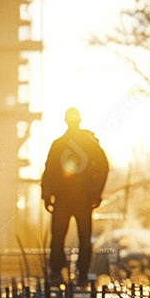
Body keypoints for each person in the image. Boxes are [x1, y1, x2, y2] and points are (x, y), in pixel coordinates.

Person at [41, 107, 109, 286]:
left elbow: (49, 171)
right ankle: (82, 276)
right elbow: (103, 167)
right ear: (79, 121)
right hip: (83, 200)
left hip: (63, 199)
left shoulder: (58, 144)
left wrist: (46, 195)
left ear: (66, 121)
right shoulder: (89, 144)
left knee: (57, 238)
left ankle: (56, 274)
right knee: (84, 238)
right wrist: (97, 193)